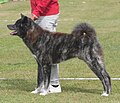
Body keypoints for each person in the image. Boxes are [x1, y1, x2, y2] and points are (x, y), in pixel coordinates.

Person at [30, 0, 61, 94]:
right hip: (41, 14)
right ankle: (44, 83)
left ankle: (54, 84)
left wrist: (36, 12)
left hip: (46, 15)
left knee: (48, 53)